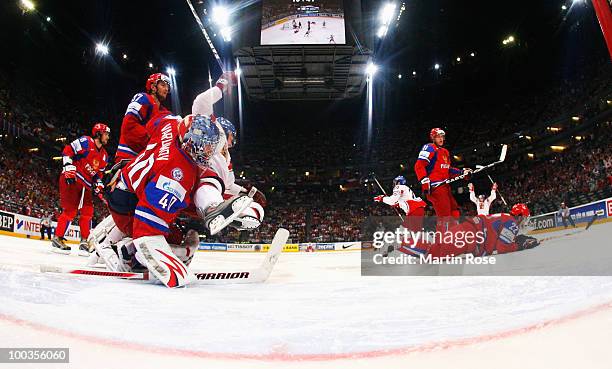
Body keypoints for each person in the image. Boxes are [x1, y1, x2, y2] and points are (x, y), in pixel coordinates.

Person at [51, 123, 110, 255]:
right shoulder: (85, 141)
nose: (108, 137)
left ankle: (84, 241)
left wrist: (98, 183)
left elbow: (98, 175)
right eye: (106, 134)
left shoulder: (105, 155)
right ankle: (58, 238)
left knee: (88, 212)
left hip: (86, 185)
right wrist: (67, 165)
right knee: (70, 211)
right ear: (98, 134)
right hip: (73, 178)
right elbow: (68, 150)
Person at [406, 203, 538, 257]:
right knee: (434, 253)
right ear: (519, 216)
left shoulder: (506, 217)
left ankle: (403, 243)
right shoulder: (512, 223)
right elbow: (502, 247)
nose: (525, 221)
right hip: (471, 236)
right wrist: (519, 245)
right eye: (525, 217)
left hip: (469, 230)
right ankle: (400, 244)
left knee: (436, 248)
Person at [414, 128, 471, 225]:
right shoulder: (429, 147)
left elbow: (448, 170)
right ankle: (444, 238)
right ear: (433, 138)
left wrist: (462, 172)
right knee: (445, 215)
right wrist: (424, 180)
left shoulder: (445, 152)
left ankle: (454, 232)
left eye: (442, 137)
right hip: (435, 187)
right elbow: (419, 165)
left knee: (454, 209)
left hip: (445, 186)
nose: (441, 139)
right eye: (438, 137)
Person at [115, 73, 171, 163]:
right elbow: (129, 125)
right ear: (153, 87)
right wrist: (152, 140)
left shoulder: (164, 112)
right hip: (129, 154)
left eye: (168, 86)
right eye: (163, 85)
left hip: (146, 158)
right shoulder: (143, 98)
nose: (166, 89)